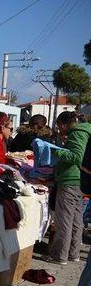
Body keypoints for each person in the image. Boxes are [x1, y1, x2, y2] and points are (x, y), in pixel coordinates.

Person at [46, 112, 91, 265]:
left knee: (64, 219)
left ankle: (60, 255)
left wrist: (57, 151)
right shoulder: (85, 131)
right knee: (76, 220)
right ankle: (73, 253)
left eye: (59, 126)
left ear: (64, 124)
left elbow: (77, 156)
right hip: (79, 181)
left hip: (70, 180)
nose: (59, 130)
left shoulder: (77, 134)